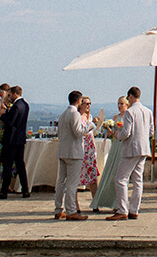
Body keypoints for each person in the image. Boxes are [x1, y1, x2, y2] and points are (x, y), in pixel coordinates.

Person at [109, 86, 153, 221]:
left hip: (131, 149)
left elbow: (126, 133)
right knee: (138, 180)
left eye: (128, 98)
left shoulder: (129, 112)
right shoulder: (148, 111)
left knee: (120, 179)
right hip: (144, 148)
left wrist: (117, 135)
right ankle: (134, 210)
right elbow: (151, 132)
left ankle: (122, 210)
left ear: (130, 97)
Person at [54, 90, 96, 221]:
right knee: (72, 183)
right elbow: (79, 132)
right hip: (74, 153)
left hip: (63, 151)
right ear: (79, 101)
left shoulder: (63, 114)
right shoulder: (75, 114)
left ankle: (58, 209)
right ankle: (71, 211)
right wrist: (91, 125)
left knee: (61, 182)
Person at [91, 95, 128, 212]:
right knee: (110, 173)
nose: (119, 106)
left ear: (127, 105)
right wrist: (109, 130)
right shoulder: (115, 117)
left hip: (123, 147)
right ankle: (109, 201)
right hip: (115, 147)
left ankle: (118, 203)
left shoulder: (128, 117)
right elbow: (112, 134)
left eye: (122, 104)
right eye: (118, 103)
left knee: (120, 175)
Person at [0, 85, 30, 199]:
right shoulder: (25, 105)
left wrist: (2, 115)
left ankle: (4, 191)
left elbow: (10, 122)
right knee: (20, 165)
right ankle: (25, 189)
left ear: (14, 94)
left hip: (11, 140)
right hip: (20, 139)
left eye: (9, 95)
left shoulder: (16, 106)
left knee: (7, 165)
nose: (8, 97)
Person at [79, 97, 99, 195]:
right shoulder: (77, 117)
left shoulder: (89, 117)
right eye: (86, 103)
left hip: (90, 149)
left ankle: (95, 201)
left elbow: (91, 134)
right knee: (78, 176)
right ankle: (75, 205)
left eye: (89, 103)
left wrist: (94, 149)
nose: (88, 106)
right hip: (81, 148)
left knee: (93, 176)